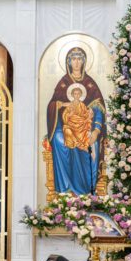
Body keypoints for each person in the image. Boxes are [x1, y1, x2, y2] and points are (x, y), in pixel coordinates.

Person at [46, 47, 105, 195]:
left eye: (79, 59)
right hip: (65, 126)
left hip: (85, 127)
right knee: (59, 140)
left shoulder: (90, 84)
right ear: (69, 62)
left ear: (84, 62)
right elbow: (52, 105)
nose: (77, 62)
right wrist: (59, 105)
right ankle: (65, 189)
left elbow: (99, 109)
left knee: (93, 143)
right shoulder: (63, 83)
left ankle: (87, 190)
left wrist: (96, 131)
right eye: (73, 59)